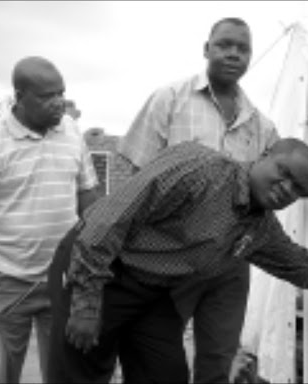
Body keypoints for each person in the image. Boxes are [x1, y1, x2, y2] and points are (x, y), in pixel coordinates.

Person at [47, 139, 308, 384]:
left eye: (297, 188)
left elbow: (305, 268)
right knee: (84, 369)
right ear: (262, 154)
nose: (286, 188)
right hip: (98, 266)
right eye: (283, 172)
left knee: (164, 375)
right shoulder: (199, 168)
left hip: (154, 291)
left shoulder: (261, 229)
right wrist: (87, 303)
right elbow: (105, 221)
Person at [118, 17, 280, 383]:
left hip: (229, 266)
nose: (233, 54)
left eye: (243, 48)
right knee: (154, 360)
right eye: (224, 44)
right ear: (206, 48)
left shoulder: (261, 125)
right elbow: (133, 175)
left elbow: (276, 186)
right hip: (167, 259)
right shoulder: (170, 100)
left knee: (219, 361)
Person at [0, 56, 100, 383]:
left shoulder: (71, 132)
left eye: (61, 92)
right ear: (19, 97)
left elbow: (88, 193)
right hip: (5, 277)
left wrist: (96, 254)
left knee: (64, 370)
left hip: (62, 276)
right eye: (47, 96)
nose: (58, 102)